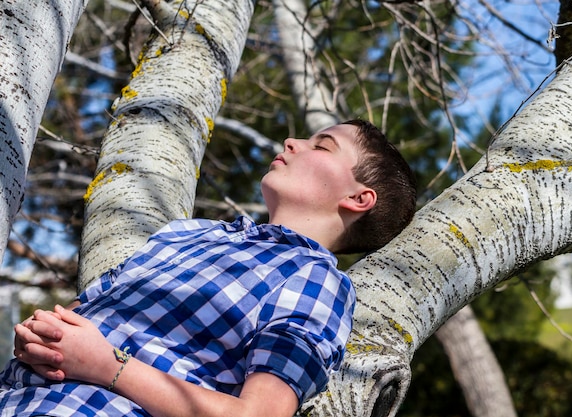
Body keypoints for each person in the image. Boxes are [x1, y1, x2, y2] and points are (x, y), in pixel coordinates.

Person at [0, 119, 417, 417]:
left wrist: (108, 366)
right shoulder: (186, 233)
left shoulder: (313, 278)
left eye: (322, 146)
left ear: (359, 199)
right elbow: (76, 318)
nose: (292, 142)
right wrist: (43, 339)